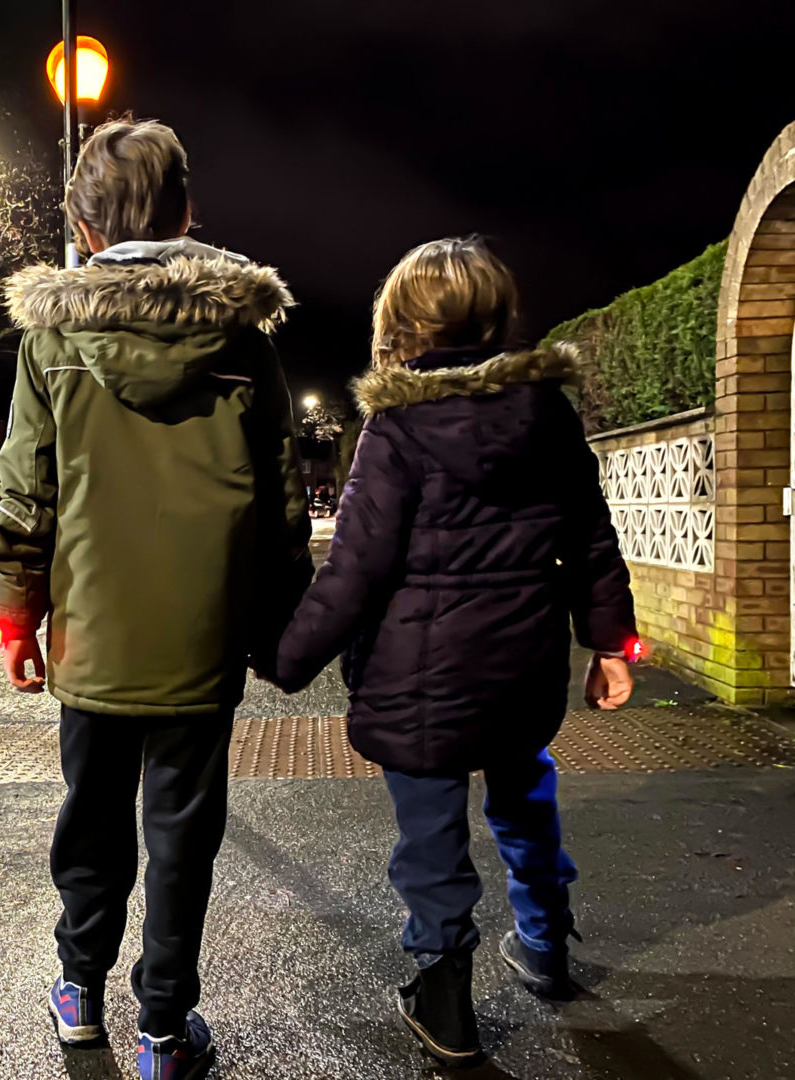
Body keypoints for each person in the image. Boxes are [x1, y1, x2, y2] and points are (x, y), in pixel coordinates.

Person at [0, 118, 311, 1080]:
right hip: (202, 634)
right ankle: (163, 1034)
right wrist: (272, 619)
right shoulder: (244, 339)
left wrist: (18, 613)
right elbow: (280, 498)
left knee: (90, 818)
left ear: (83, 228)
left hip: (93, 632)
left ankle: (79, 992)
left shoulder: (50, 338)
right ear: (186, 215)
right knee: (183, 839)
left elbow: (27, 490)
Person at [273, 236, 637, 1067]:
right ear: (495, 316)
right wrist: (612, 642)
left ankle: (446, 1003)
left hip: (419, 676)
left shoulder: (395, 428)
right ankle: (545, 944)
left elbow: (355, 571)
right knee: (525, 797)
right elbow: (588, 538)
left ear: (402, 323)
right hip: (521, 665)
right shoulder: (547, 410)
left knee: (431, 835)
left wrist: (288, 659)